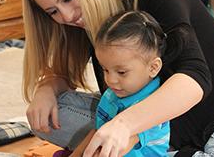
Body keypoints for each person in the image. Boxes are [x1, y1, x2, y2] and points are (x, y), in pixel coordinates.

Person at [21, 0, 214, 156]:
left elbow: (195, 79)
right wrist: (47, 87)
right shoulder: (77, 21)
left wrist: (124, 125)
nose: (66, 16)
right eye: (53, 11)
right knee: (51, 112)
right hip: (151, 128)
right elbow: (63, 73)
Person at [71, 11, 170, 157]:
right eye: (105, 69)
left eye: (122, 72)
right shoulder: (112, 94)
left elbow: (116, 148)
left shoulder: (154, 107)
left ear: (153, 68)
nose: (110, 80)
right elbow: (97, 132)